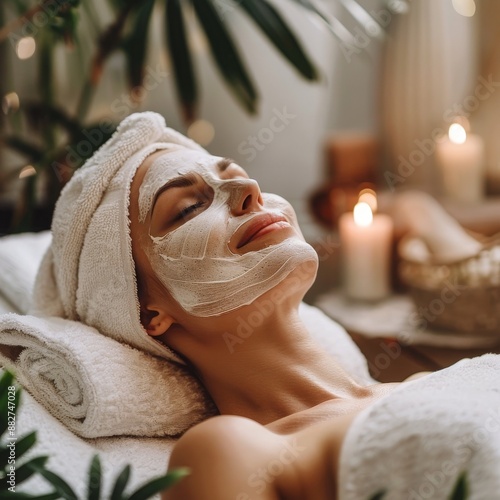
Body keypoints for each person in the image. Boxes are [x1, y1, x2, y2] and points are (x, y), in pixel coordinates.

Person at [33, 112, 493, 499]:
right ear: (148, 315)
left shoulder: (426, 380)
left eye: (235, 176)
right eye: (189, 208)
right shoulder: (233, 451)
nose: (249, 190)